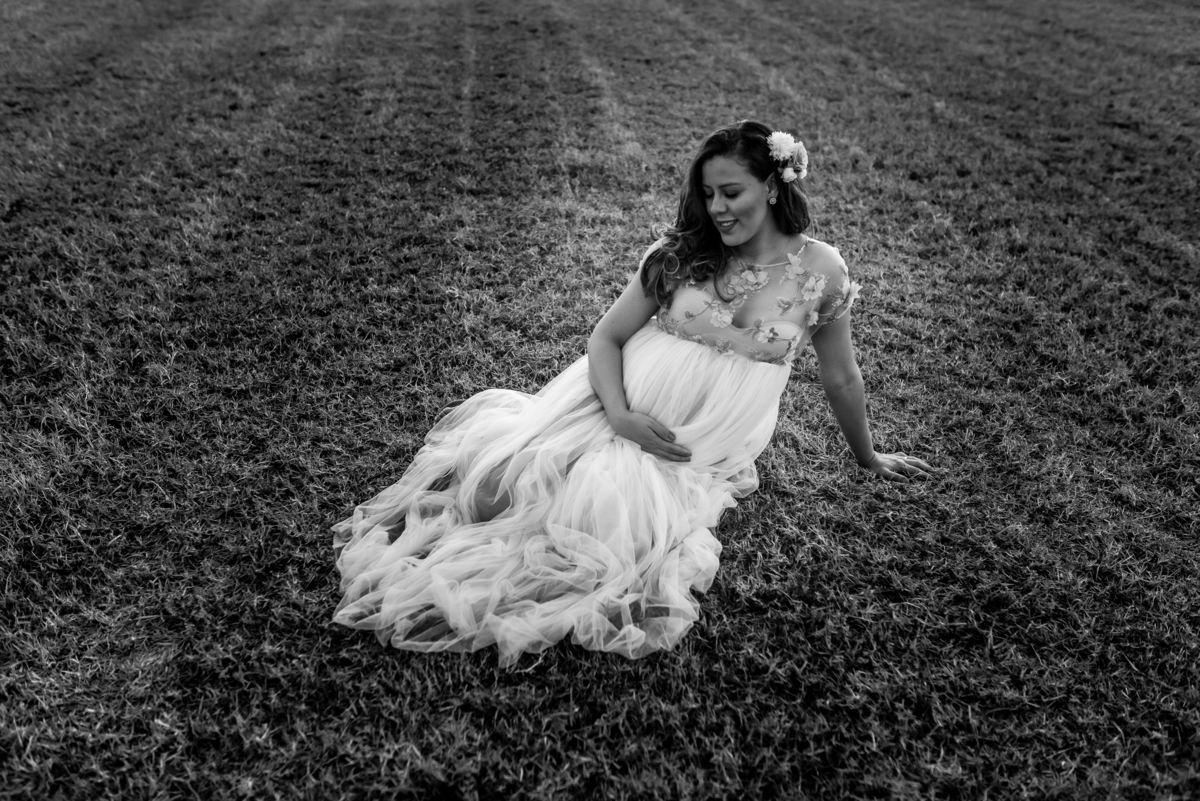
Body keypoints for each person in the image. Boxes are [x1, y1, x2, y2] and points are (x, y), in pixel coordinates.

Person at [331, 120, 934, 666]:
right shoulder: (679, 254)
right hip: (614, 400)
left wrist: (868, 456)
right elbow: (607, 337)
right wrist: (618, 414)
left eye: (732, 192)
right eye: (708, 194)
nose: (718, 208)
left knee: (596, 535)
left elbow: (841, 376)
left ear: (773, 187)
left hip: (694, 437)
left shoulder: (822, 271)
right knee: (493, 494)